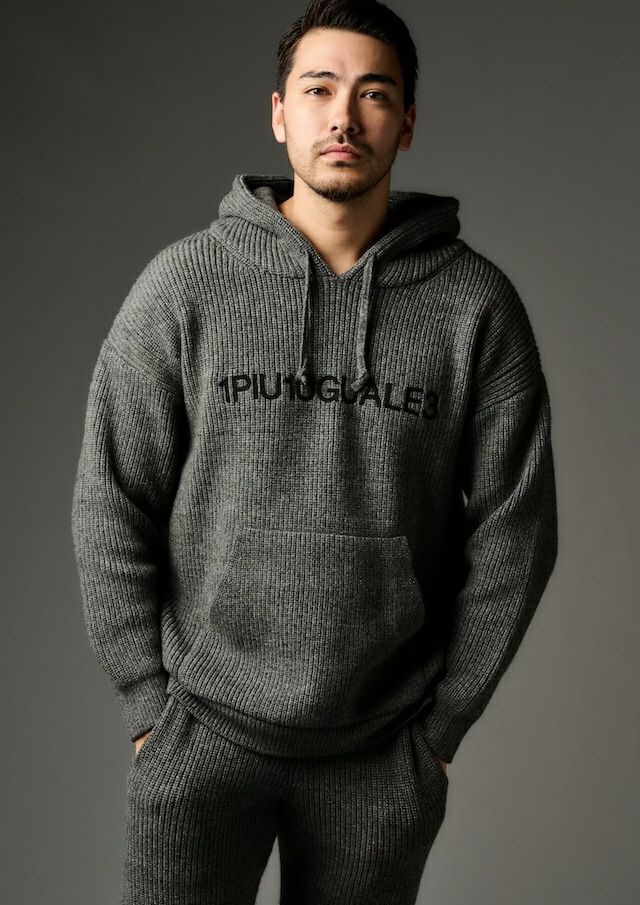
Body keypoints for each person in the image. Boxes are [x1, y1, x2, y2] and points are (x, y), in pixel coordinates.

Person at [70, 1, 558, 902]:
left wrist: (443, 727)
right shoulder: (185, 286)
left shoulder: (475, 308)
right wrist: (146, 702)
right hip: (200, 733)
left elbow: (516, 530)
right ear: (279, 113)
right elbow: (111, 494)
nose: (344, 117)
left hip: (381, 751)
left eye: (374, 94)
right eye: (320, 89)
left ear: (406, 123)